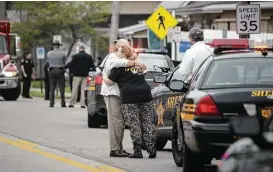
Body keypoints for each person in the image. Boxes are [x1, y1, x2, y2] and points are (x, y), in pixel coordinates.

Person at [103, 43, 157, 159]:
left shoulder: (119, 68)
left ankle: (137, 151)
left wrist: (103, 75)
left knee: (134, 124)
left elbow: (109, 82)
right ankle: (151, 148)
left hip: (129, 97)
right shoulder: (139, 66)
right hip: (145, 94)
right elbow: (144, 71)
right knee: (147, 122)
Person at [47, 40, 66, 108]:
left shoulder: (49, 53)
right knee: (61, 88)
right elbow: (64, 62)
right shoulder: (62, 53)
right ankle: (63, 103)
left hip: (52, 70)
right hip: (60, 70)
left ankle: (51, 103)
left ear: (53, 46)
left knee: (52, 88)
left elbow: (48, 61)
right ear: (59, 46)